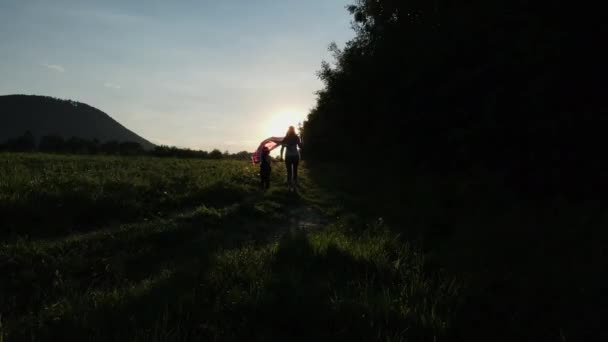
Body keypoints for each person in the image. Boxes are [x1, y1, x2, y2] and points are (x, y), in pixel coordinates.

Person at [280, 126, 302, 191]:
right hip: (295, 156)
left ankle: (289, 187)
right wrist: (301, 142)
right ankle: (294, 187)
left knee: (289, 171)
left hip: (288, 156)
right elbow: (300, 146)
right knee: (295, 171)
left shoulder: (286, 138)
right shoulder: (296, 137)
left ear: (289, 130)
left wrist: (281, 156)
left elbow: (282, 148)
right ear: (293, 130)